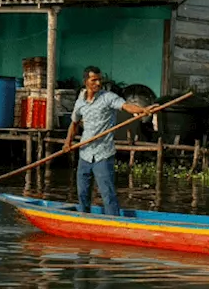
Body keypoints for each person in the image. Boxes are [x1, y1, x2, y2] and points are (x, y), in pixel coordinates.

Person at [64, 66, 150, 215]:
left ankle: (114, 222)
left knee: (107, 194)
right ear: (86, 82)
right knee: (83, 194)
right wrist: (67, 142)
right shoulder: (80, 101)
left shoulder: (108, 97)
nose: (98, 83)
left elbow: (126, 106)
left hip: (103, 154)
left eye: (99, 79)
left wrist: (142, 110)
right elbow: (74, 122)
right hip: (85, 153)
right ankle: (84, 219)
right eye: (94, 80)